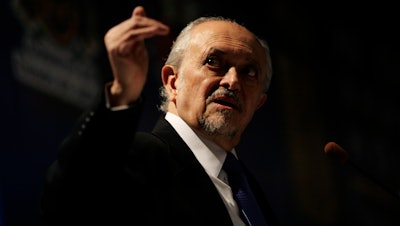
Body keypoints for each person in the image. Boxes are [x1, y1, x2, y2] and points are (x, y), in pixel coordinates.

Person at [40, 5, 280, 226]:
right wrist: (122, 92)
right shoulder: (136, 158)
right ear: (172, 82)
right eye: (214, 61)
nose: (233, 81)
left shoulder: (248, 188)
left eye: (249, 71)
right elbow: (67, 196)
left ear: (259, 102)